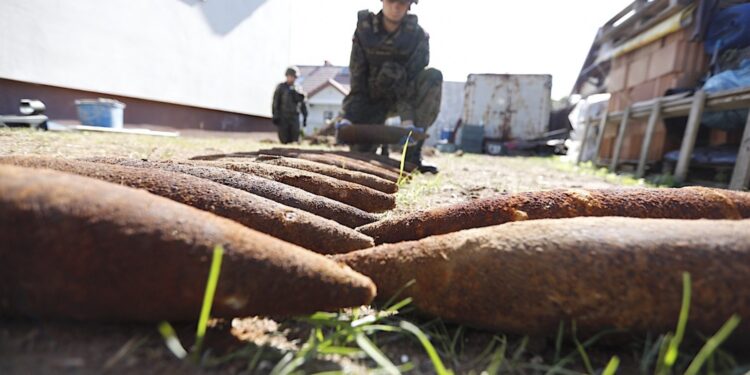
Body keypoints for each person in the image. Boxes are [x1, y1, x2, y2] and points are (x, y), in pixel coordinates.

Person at [339, 0, 442, 173]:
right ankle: (374, 148)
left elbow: (412, 79)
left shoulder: (418, 36)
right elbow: (358, 75)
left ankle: (412, 156)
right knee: (361, 157)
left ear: (409, 5)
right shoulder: (365, 31)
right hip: (371, 98)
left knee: (432, 77)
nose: (396, 7)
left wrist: (407, 119)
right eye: (391, 0)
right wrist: (349, 115)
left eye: (402, 2)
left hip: (404, 98)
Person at [272, 66, 308, 144]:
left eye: (294, 77)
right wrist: (275, 115)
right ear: (287, 76)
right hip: (283, 116)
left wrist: (305, 116)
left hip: (294, 116)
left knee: (295, 137)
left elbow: (302, 103)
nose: (292, 78)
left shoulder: (298, 88)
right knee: (284, 138)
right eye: (290, 76)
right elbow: (275, 102)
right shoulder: (281, 87)